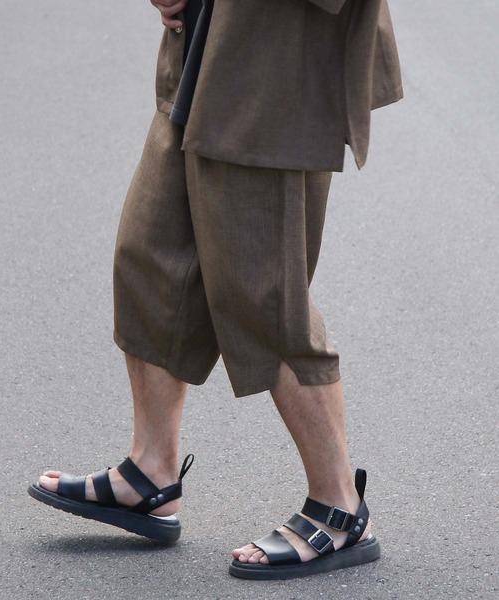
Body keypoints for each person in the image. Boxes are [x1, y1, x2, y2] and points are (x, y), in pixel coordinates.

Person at [28, 0, 403, 580]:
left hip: (276, 55)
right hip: (209, 43)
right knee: (150, 257)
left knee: (264, 294)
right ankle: (150, 471)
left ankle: (339, 507)